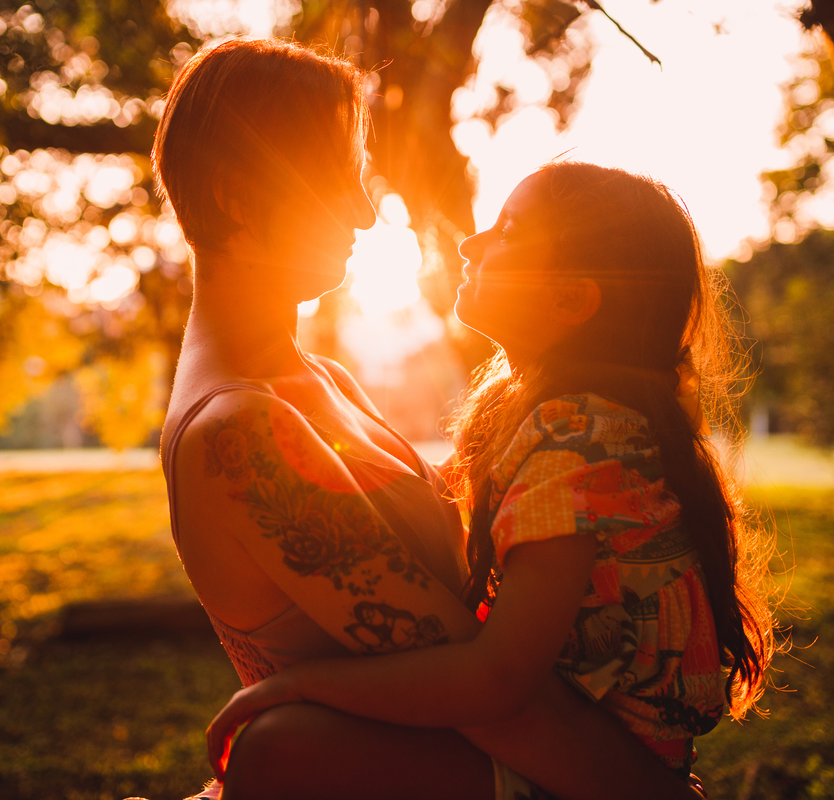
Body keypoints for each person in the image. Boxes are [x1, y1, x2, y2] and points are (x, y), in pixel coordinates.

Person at [154, 39, 702, 800]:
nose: (366, 207)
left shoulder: (315, 378)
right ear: (239, 196)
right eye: (335, 175)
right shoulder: (239, 431)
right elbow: (493, 690)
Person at [206, 162, 777, 791]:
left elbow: (499, 680)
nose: (469, 242)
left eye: (507, 231)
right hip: (578, 745)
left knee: (278, 746)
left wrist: (302, 684)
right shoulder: (557, 417)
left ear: (570, 300)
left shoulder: (577, 443)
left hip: (591, 772)